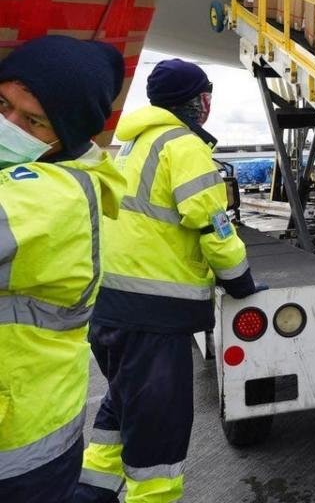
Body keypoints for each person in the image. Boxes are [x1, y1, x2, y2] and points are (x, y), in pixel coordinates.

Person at [74, 59, 259, 503]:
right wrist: (240, 282)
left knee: (121, 409)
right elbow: (212, 226)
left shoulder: (133, 145)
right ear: (195, 101)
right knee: (158, 434)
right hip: (152, 319)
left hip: (110, 310)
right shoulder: (183, 145)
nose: (209, 104)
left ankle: (90, 494)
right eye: (206, 95)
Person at [0, 35, 127, 503]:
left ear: (68, 138)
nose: (8, 124)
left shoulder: (53, 194)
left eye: (33, 121)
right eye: (1, 104)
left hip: (18, 450)